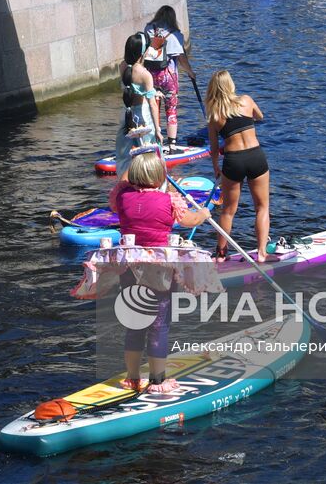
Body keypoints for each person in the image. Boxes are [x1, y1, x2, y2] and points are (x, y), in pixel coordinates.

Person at [104, 148, 211, 392]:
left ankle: (132, 377)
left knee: (134, 321)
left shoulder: (121, 198)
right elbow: (189, 221)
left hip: (130, 266)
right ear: (160, 176)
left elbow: (122, 182)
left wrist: (138, 156)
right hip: (159, 268)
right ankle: (157, 381)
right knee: (158, 323)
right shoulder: (168, 201)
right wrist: (203, 214)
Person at [205, 69, 274, 262]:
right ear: (230, 85)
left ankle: (220, 253)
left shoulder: (214, 115)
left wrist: (216, 167)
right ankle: (261, 253)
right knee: (262, 207)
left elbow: (213, 148)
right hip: (255, 157)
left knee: (228, 210)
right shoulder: (246, 100)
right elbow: (260, 116)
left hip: (233, 160)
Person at [143, 5, 194, 148]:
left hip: (150, 76)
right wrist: (191, 72)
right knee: (171, 109)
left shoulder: (149, 29)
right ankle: (172, 145)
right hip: (169, 77)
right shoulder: (175, 33)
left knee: (154, 106)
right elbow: (182, 58)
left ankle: (155, 140)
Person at [115, 32, 161, 177]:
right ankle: (152, 184)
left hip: (126, 113)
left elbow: (130, 88)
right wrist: (158, 129)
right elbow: (152, 104)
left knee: (126, 154)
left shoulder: (122, 67)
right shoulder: (144, 74)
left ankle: (124, 184)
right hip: (142, 117)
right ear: (143, 52)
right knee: (149, 154)